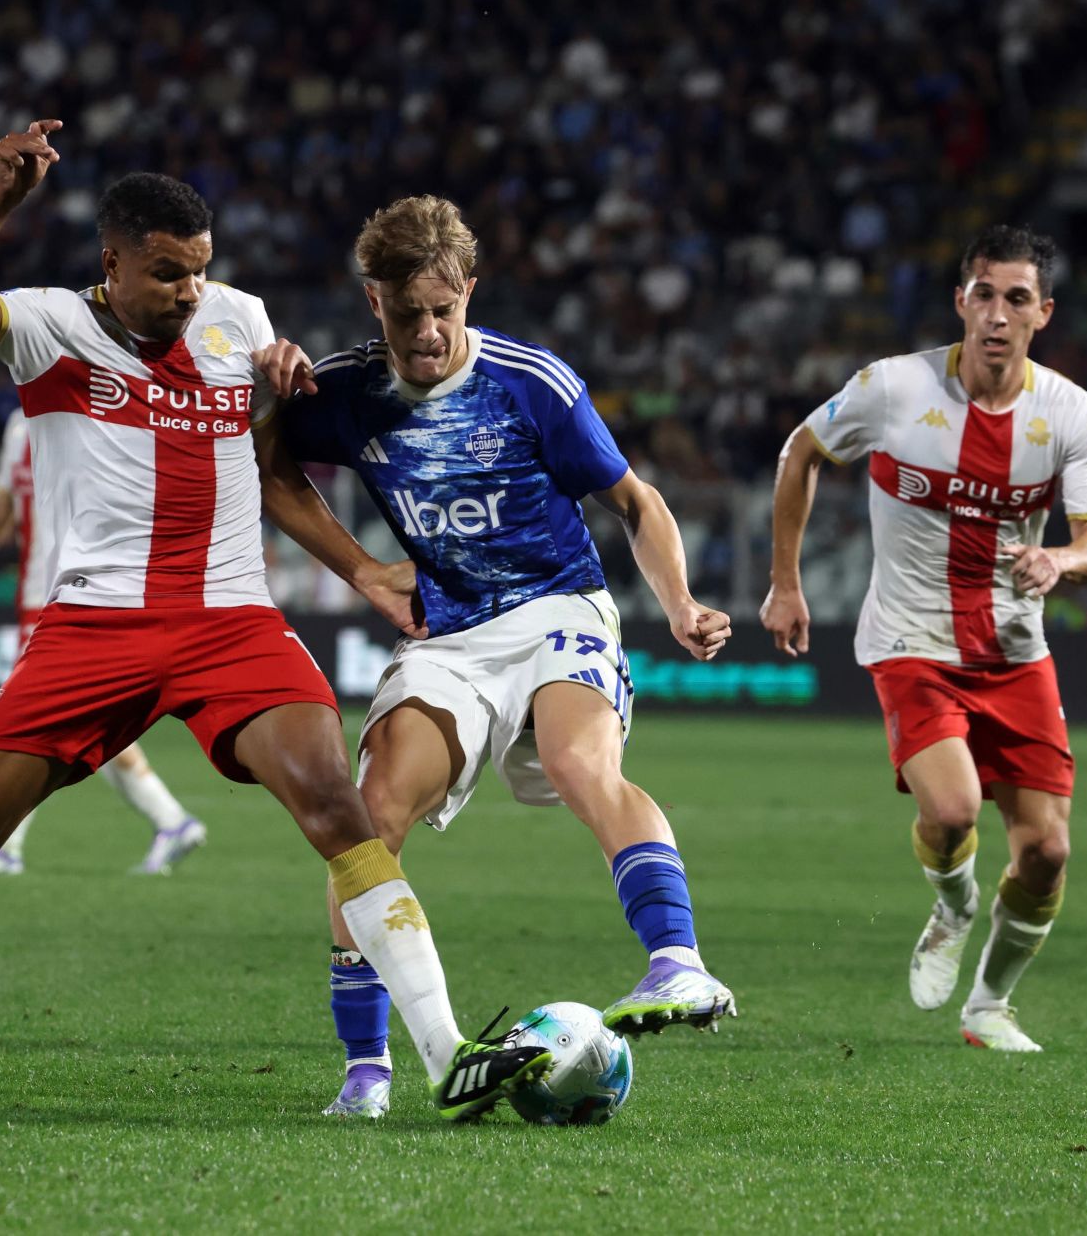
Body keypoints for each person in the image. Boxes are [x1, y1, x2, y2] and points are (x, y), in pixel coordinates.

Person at [0, 123, 552, 1122]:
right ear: (112, 263)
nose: (189, 293)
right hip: (94, 628)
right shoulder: (47, 326)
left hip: (231, 622)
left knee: (338, 811)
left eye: (199, 271)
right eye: (166, 273)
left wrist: (359, 563)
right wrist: (2, 201)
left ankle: (448, 1055)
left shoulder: (238, 320)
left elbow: (277, 468)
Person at [254, 195, 737, 1119]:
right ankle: (366, 1070)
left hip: (558, 607)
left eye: (444, 310)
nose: (428, 333)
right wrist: (361, 568)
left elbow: (635, 502)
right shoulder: (346, 389)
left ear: (468, 292)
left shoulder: (531, 382)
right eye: (407, 314)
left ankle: (678, 961)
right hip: (449, 634)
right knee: (371, 812)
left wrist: (679, 602)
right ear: (374, 301)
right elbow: (269, 467)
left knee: (579, 762)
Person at [759, 226, 1087, 1053]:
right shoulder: (893, 388)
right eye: (983, 295)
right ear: (961, 301)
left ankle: (988, 1007)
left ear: (1043, 313)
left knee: (1048, 851)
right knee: (952, 810)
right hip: (910, 638)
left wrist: (1061, 560)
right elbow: (801, 452)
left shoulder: (1067, 411)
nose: (997, 314)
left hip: (1014, 651)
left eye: (1016, 299)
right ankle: (954, 907)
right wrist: (785, 582)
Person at [0, 405, 206, 875]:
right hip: (38, 595)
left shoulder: (104, 409)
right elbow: (1, 509)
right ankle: (171, 821)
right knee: (70, 719)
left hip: (84, 595)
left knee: (37, 718)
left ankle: (8, 846)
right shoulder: (18, 424)